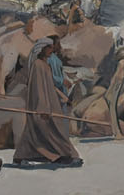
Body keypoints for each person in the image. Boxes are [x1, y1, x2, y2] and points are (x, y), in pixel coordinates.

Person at [12, 36, 83, 167]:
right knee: (50, 130)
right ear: (42, 49)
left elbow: (51, 86)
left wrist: (63, 96)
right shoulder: (38, 65)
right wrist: (42, 108)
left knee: (39, 132)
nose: (51, 49)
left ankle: (24, 156)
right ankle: (65, 155)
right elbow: (39, 88)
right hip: (43, 105)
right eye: (49, 47)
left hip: (50, 103)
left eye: (51, 47)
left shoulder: (45, 65)